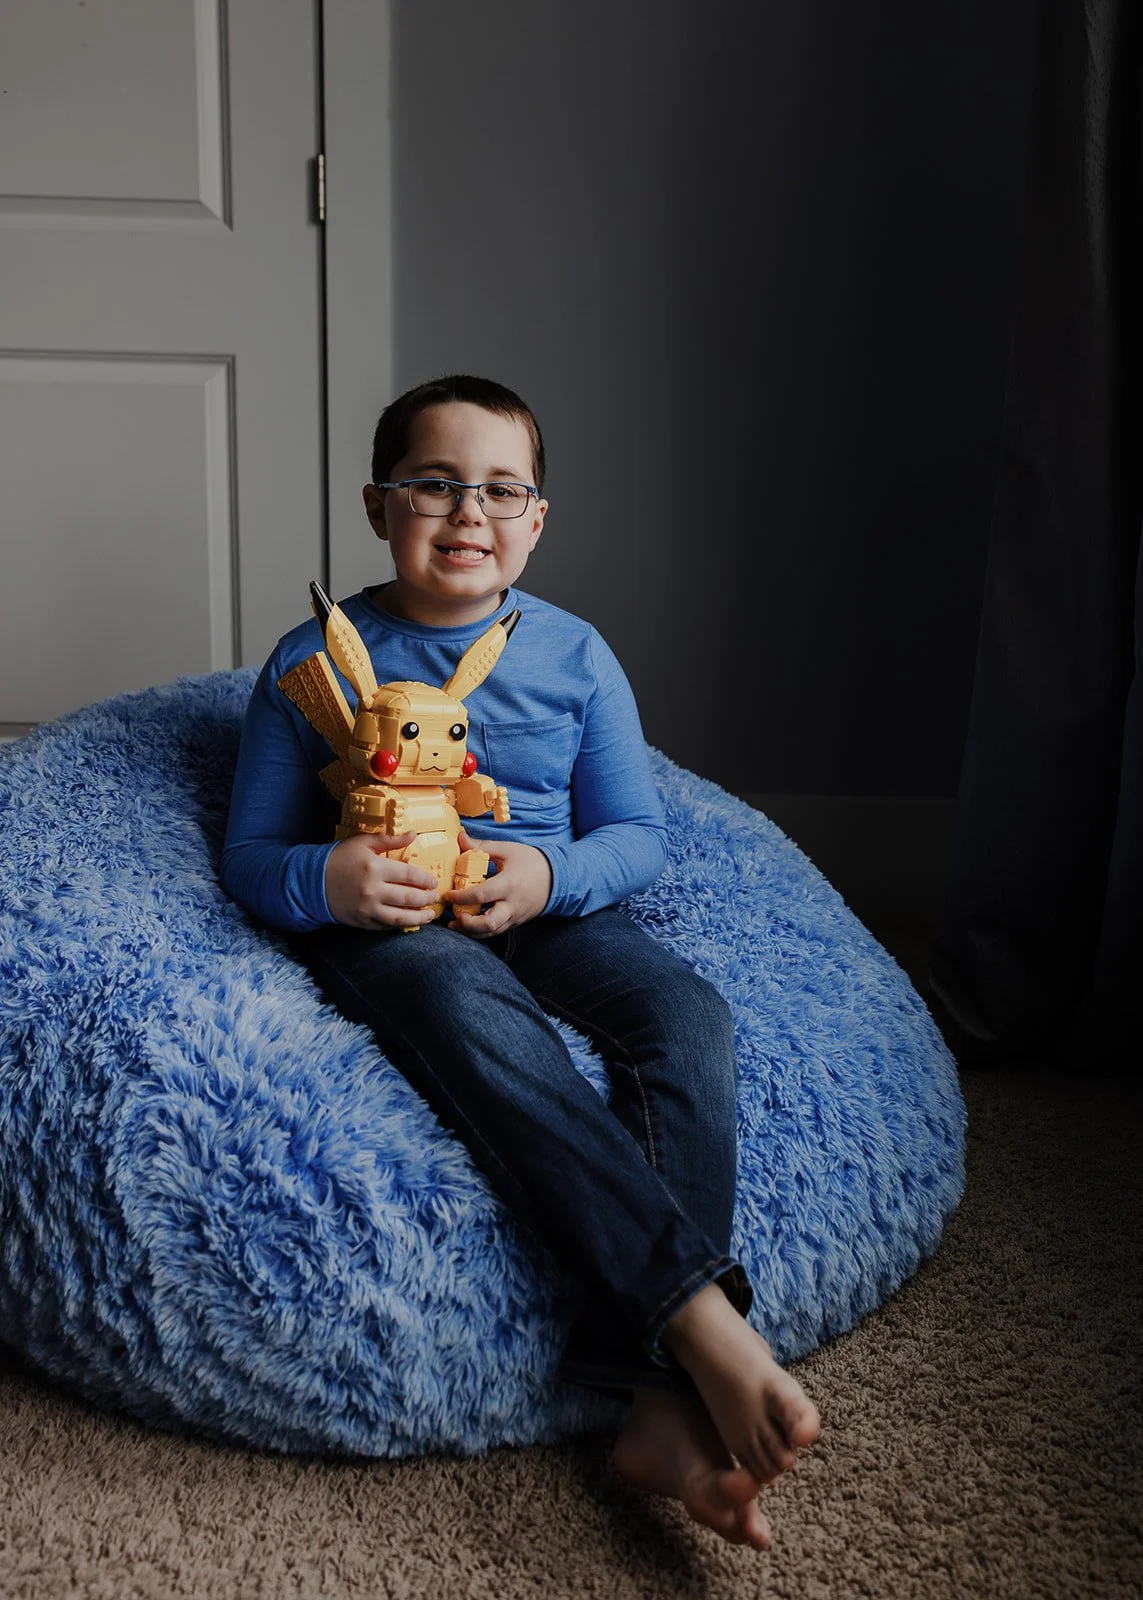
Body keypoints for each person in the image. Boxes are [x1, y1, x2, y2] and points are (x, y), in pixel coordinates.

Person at [220, 374, 820, 1551]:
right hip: (391, 921)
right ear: (377, 505)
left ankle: (651, 1400)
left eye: (501, 489)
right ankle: (697, 1316)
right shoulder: (316, 661)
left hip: (545, 903)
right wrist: (327, 882)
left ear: (537, 520)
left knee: (685, 1013)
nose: (467, 513)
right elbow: (248, 851)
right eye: (434, 485)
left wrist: (547, 878)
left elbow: (638, 834)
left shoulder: (577, 654)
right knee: (473, 1008)